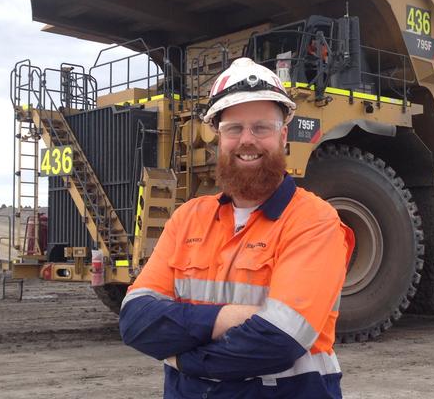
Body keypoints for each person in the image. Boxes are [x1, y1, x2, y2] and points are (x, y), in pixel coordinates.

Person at [119, 57, 354, 398]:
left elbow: (279, 341)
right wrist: (232, 317)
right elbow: (135, 321)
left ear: (283, 135)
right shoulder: (187, 218)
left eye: (261, 127)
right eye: (234, 128)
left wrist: (185, 359)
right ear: (218, 136)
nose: (247, 140)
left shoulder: (314, 221)